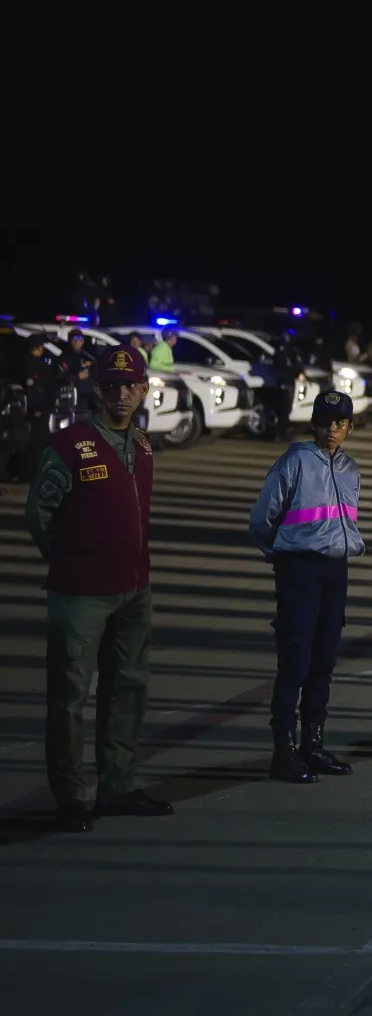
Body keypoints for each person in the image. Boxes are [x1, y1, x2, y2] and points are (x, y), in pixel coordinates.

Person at [25, 346, 173, 832]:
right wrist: (72, 561)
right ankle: (69, 797)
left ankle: (118, 786)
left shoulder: (145, 447)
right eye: (112, 385)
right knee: (69, 697)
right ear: (98, 390)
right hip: (81, 594)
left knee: (127, 689)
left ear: (145, 389)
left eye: (131, 385)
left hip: (134, 592)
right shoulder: (72, 445)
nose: (122, 394)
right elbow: (39, 515)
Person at [249, 389, 364, 783]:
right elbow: (263, 520)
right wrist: (284, 554)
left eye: (340, 422)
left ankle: (313, 744)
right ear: (313, 423)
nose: (332, 429)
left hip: (335, 571)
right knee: (295, 662)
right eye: (325, 421)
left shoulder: (350, 469)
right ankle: (284, 751)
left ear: (349, 426)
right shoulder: (294, 462)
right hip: (299, 569)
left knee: (323, 662)